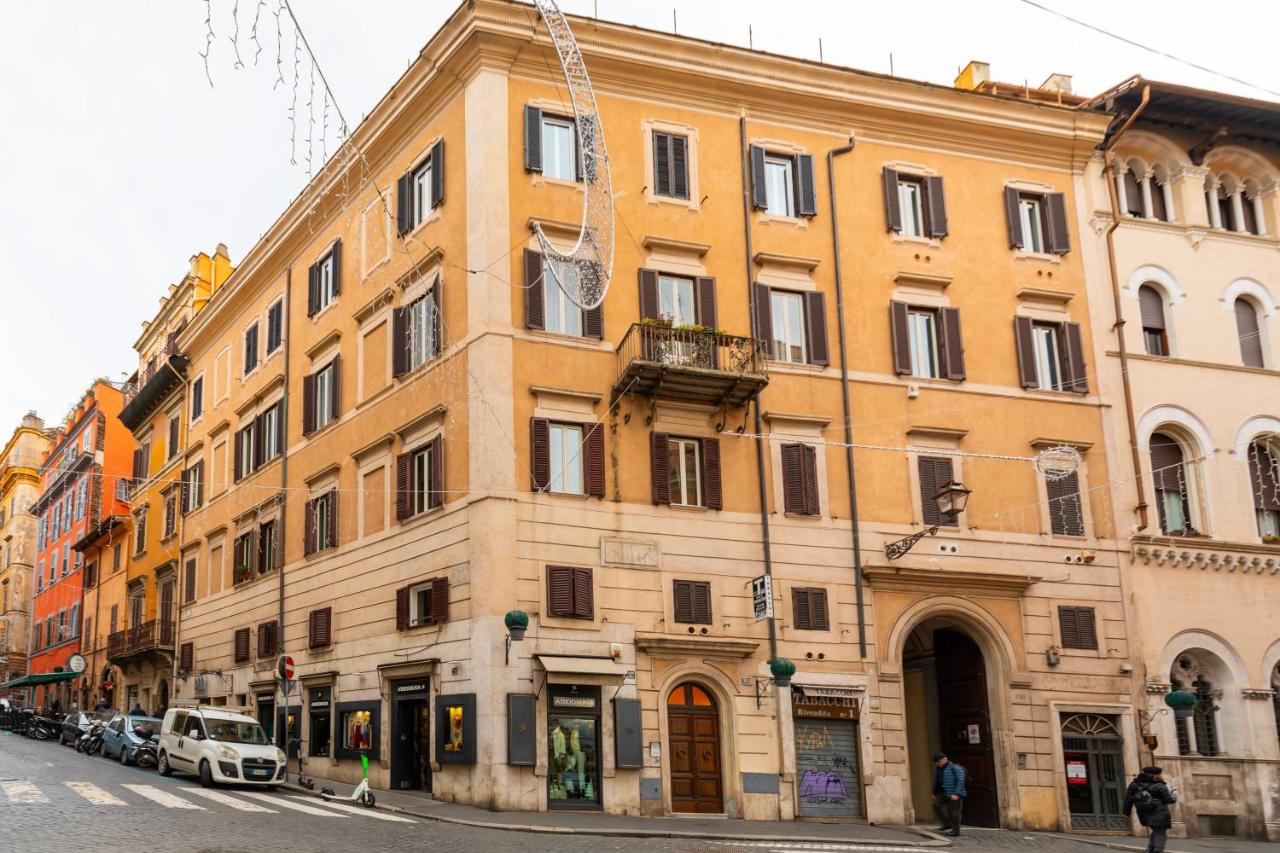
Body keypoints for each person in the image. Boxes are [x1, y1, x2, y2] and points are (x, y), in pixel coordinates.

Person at [1123, 765, 1177, 853]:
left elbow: (1128, 799)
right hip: (1159, 813)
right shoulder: (1160, 785)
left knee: (1156, 831)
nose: (1161, 775)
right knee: (1160, 833)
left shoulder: (1134, 784)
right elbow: (1169, 800)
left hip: (1143, 813)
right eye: (1160, 774)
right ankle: (1157, 851)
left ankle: (1150, 850)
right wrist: (1173, 795)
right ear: (1156, 775)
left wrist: (1127, 812)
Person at [932, 752, 967, 837]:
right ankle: (946, 823)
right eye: (937, 762)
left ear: (944, 759)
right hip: (943, 792)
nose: (938, 764)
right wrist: (934, 792)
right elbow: (937, 780)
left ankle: (956, 831)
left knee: (954, 812)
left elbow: (960, 781)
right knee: (936, 805)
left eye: (939, 762)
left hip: (954, 792)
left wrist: (957, 793)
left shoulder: (955, 767)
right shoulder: (938, 768)